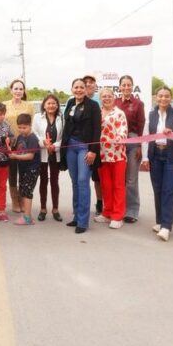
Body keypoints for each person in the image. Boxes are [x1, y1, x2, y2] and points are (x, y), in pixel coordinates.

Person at [61, 78, 101, 235]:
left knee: (83, 181)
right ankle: (76, 217)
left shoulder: (93, 105)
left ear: (86, 89)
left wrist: (93, 150)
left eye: (81, 87)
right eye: (76, 87)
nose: (78, 90)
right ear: (72, 89)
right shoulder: (70, 103)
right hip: (70, 146)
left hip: (85, 147)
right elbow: (67, 126)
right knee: (75, 182)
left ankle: (83, 221)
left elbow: (97, 129)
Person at [147, 86, 173, 241]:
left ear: (171, 98)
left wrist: (171, 134)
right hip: (155, 154)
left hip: (172, 154)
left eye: (167, 96)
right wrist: (145, 158)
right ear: (156, 97)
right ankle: (160, 221)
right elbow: (146, 136)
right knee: (158, 189)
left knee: (169, 190)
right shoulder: (151, 114)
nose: (163, 98)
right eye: (160, 96)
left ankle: (166, 226)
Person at [97, 88, 128, 230]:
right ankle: (107, 212)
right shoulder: (97, 113)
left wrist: (119, 138)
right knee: (106, 185)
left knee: (118, 185)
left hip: (117, 155)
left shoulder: (119, 113)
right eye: (104, 96)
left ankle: (117, 216)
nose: (106, 98)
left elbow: (123, 131)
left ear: (113, 97)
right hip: (102, 155)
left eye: (109, 96)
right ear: (100, 98)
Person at [117, 75, 145, 224]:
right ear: (120, 87)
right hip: (117, 143)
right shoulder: (115, 102)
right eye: (124, 85)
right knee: (119, 179)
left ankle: (132, 211)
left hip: (133, 142)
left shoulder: (138, 104)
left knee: (131, 180)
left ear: (132, 87)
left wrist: (140, 145)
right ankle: (119, 209)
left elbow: (141, 125)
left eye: (129, 85)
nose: (126, 87)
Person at [5, 79, 35, 213]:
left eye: (21, 89)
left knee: (24, 173)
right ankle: (14, 201)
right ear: (11, 90)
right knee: (12, 174)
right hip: (10, 144)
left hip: (25, 144)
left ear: (24, 91)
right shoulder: (5, 105)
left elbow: (32, 125)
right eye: (16, 88)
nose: (18, 91)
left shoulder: (29, 106)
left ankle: (23, 200)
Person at [33, 94, 64, 222]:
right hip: (42, 153)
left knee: (55, 181)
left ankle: (55, 209)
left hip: (55, 153)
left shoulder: (62, 118)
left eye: (53, 103)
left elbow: (64, 136)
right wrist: (43, 143)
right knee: (43, 180)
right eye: (48, 103)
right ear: (44, 105)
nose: (51, 105)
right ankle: (43, 209)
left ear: (57, 105)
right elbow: (34, 133)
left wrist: (55, 146)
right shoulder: (37, 117)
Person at [9, 113, 40, 226]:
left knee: (27, 192)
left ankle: (27, 217)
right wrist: (12, 152)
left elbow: (30, 156)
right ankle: (28, 216)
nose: (21, 130)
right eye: (19, 127)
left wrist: (15, 156)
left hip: (31, 169)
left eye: (24, 127)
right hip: (22, 169)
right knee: (23, 191)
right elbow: (19, 150)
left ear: (30, 125)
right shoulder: (20, 137)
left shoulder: (32, 138)